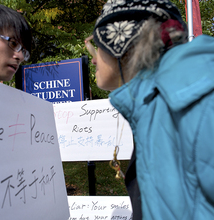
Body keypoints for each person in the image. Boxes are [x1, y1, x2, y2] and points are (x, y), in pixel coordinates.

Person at [85, 0, 214, 219]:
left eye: (96, 44)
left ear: (120, 44)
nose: (94, 59)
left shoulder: (199, 102)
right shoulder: (158, 104)